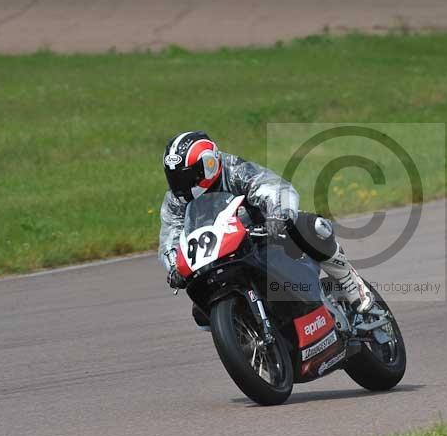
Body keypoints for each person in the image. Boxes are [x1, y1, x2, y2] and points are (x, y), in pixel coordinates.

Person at [158, 131, 374, 329]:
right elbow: (170, 236)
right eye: (174, 177)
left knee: (311, 226)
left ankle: (348, 281)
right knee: (201, 313)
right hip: (217, 256)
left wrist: (278, 216)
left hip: (263, 238)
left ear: (209, 165)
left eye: (186, 176)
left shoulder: (234, 171)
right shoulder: (176, 200)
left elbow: (271, 188)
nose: (180, 184)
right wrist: (174, 266)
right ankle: (248, 339)